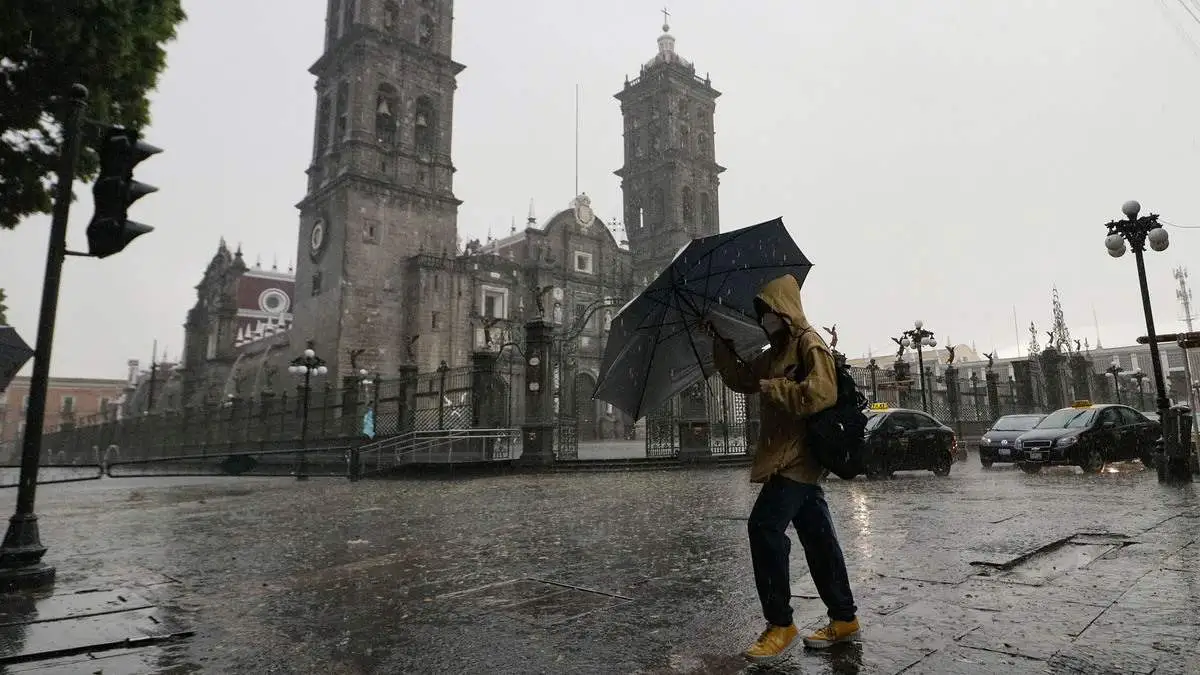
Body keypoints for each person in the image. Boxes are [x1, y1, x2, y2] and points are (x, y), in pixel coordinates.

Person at [701, 273, 860, 664]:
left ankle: (780, 624)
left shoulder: (810, 343)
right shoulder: (777, 350)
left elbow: (823, 393)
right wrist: (720, 343)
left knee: (764, 527)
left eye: (769, 311)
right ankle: (844, 617)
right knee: (819, 539)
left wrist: (777, 388)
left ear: (784, 309)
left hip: (799, 456)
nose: (765, 319)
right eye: (762, 314)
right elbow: (743, 378)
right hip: (786, 456)